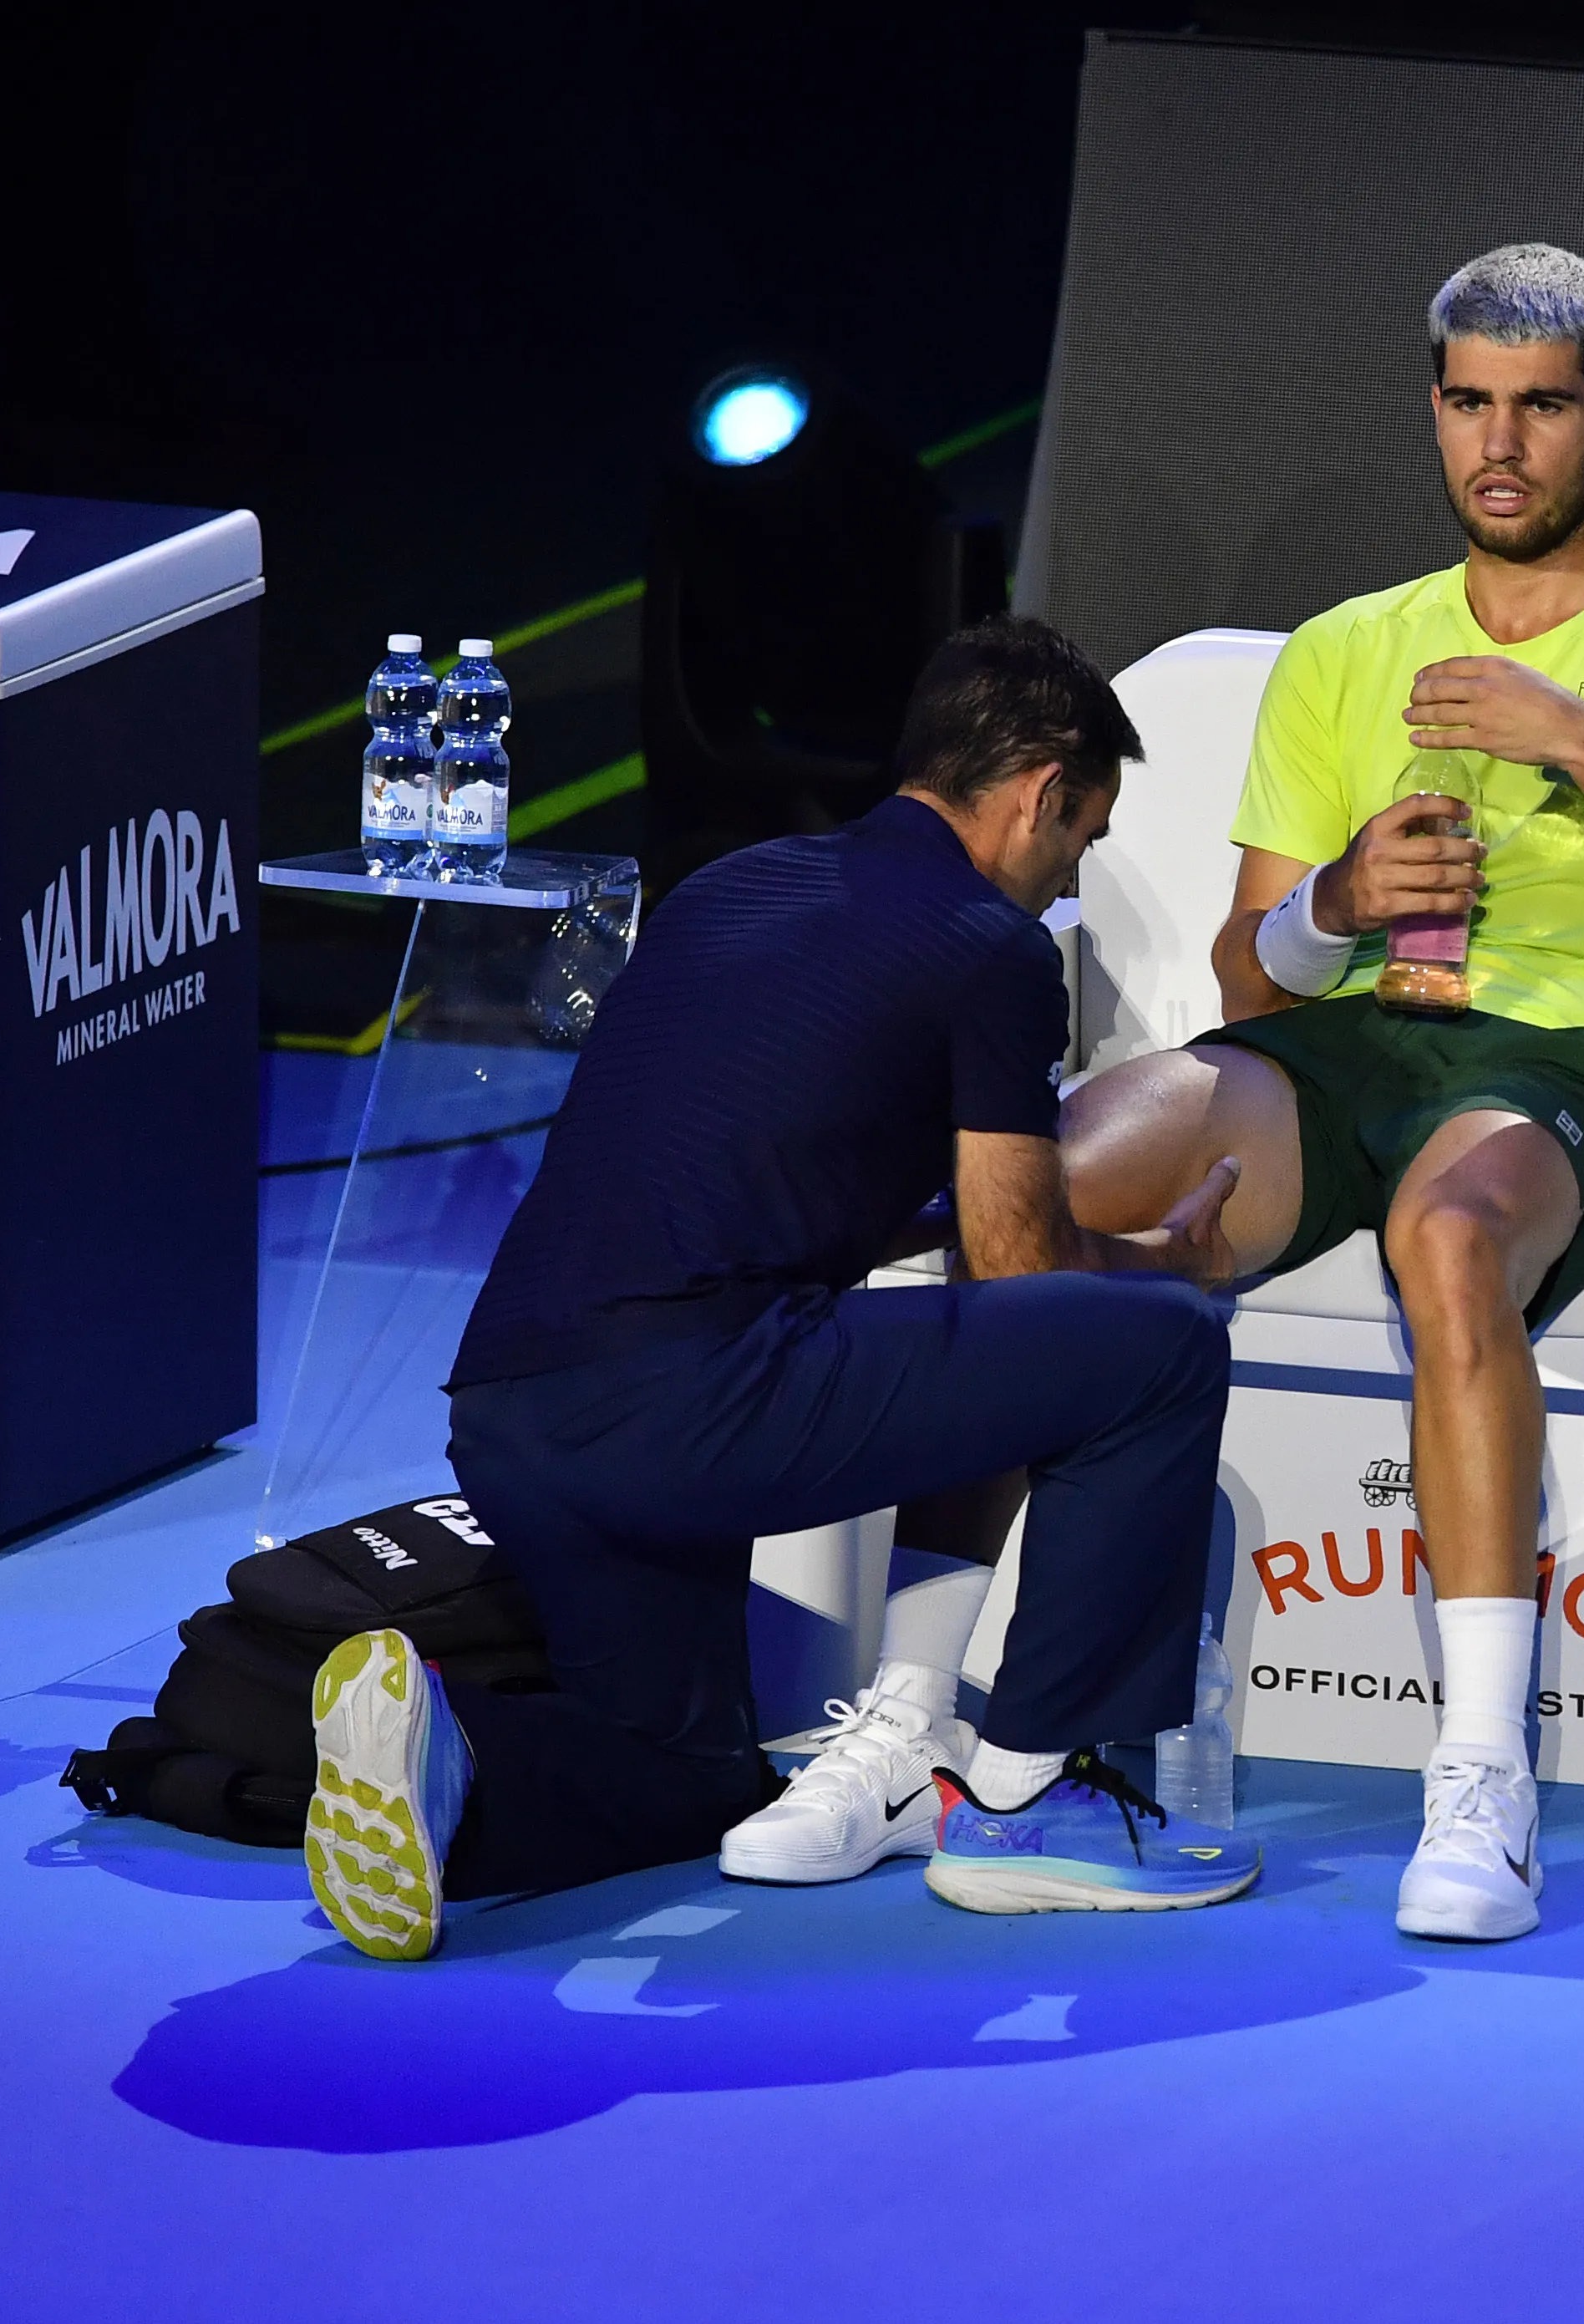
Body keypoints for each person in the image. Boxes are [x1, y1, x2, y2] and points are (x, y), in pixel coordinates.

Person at [1059, 243, 1584, 1942]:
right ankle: (945, 1724)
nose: (1502, 442)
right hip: (1345, 1049)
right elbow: (1249, 987)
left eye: (1542, 408)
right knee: (1054, 1183)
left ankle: (1481, 1775)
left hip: (1559, 1070)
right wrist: (1336, 899)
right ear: (1434, 412)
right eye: (1472, 403)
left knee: (1451, 1237)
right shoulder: (1342, 650)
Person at [302, 618, 1258, 1963]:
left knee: (686, 1770)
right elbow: (1018, 1270)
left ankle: (447, 1758)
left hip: (514, 1411)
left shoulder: (728, 889)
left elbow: (746, 1160)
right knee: (1154, 1347)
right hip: (698, 1401)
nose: (1061, 886)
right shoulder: (990, 949)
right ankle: (1042, 1801)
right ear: (1042, 789)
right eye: (1078, 841)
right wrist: (1164, 1265)